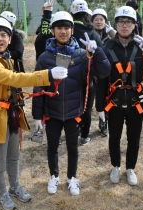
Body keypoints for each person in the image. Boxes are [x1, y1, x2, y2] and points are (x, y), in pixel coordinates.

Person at [0, 17, 68, 210]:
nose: (0, 39)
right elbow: (13, 79)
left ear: (10, 39)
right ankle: (2, 194)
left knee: (14, 157)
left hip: (11, 114)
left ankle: (15, 187)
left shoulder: (6, 58)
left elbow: (12, 85)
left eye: (4, 35)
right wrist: (48, 74)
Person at [32, 11, 111, 195]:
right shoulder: (45, 58)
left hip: (74, 112)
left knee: (72, 147)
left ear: (72, 30)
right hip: (51, 112)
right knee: (52, 147)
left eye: (66, 28)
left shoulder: (82, 55)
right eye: (59, 27)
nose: (63, 31)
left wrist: (96, 52)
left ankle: (72, 178)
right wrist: (37, 115)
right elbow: (38, 87)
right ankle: (54, 176)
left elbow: (104, 72)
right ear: (53, 31)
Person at [96, 6, 143, 186]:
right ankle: (115, 166)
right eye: (121, 21)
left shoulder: (142, 47)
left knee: (134, 138)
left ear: (134, 25)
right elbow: (101, 79)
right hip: (113, 101)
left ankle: (130, 168)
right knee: (114, 137)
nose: (124, 25)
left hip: (136, 101)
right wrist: (99, 107)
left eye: (128, 22)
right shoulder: (107, 48)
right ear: (115, 24)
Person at [70, 0, 103, 145]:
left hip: (69, 75)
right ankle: (84, 135)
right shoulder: (93, 34)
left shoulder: (67, 31)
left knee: (70, 105)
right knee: (87, 107)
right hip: (88, 76)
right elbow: (101, 56)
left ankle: (71, 132)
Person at [91, 8, 116, 137]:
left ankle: (103, 124)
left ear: (106, 21)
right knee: (90, 99)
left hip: (107, 73)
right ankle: (82, 125)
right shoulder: (89, 34)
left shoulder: (110, 34)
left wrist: (112, 32)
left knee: (104, 99)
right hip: (92, 72)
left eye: (101, 19)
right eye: (96, 19)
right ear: (92, 21)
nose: (99, 22)